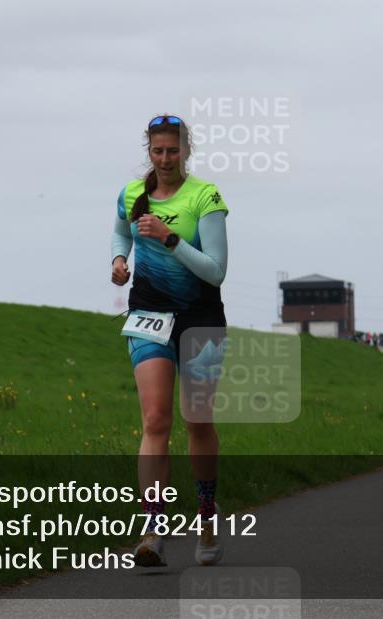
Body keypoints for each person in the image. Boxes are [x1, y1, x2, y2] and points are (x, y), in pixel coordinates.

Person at [111, 114, 229, 567]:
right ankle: (153, 528)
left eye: (173, 151)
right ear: (149, 151)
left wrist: (170, 237)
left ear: (186, 151)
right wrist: (120, 260)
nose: (164, 159)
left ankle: (205, 515)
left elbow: (216, 270)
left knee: (197, 421)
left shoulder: (206, 197)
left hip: (200, 320)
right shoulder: (131, 194)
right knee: (156, 419)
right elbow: (120, 230)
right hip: (148, 316)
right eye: (157, 151)